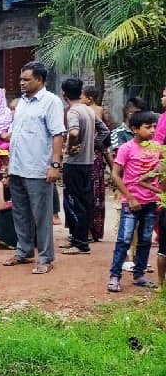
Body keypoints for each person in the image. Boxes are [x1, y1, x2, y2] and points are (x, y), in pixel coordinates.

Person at [4, 61, 66, 274]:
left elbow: (58, 134)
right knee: (20, 213)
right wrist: (8, 166)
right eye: (21, 79)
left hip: (38, 168)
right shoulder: (22, 102)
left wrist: (55, 165)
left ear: (39, 80)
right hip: (18, 167)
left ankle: (46, 257)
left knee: (42, 215)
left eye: (26, 79)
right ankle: (24, 251)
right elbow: (15, 135)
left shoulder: (51, 102)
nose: (21, 82)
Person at [108, 110, 161, 291]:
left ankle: (139, 275)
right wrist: (129, 197)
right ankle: (115, 276)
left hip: (151, 202)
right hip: (131, 203)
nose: (152, 130)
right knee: (124, 239)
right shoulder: (126, 148)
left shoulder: (156, 147)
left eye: (154, 126)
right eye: (148, 127)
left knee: (145, 240)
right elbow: (115, 175)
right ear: (135, 129)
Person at [60, 78, 98, 255]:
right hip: (88, 162)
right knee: (85, 201)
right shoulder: (88, 110)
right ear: (81, 91)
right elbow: (104, 130)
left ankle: (80, 242)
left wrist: (71, 146)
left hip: (74, 163)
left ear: (64, 93)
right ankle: (78, 239)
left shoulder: (73, 111)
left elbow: (73, 132)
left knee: (73, 202)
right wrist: (90, 144)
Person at [81, 85, 112, 242]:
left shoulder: (93, 110)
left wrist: (92, 143)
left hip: (91, 154)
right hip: (97, 154)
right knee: (96, 190)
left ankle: (86, 229)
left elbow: (105, 131)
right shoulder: (98, 110)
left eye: (82, 96)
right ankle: (95, 230)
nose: (80, 98)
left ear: (89, 98)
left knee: (89, 190)